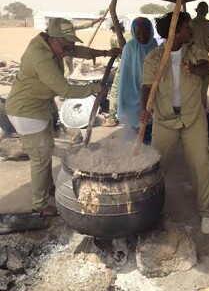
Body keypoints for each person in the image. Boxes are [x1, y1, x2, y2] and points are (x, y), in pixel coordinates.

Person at [5, 18, 120, 217]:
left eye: (69, 45)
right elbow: (64, 89)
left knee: (46, 149)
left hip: (39, 107)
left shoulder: (53, 44)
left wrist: (103, 53)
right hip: (26, 110)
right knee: (40, 157)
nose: (68, 51)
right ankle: (39, 206)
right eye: (66, 46)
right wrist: (96, 88)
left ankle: (48, 187)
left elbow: (78, 50)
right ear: (54, 39)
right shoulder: (40, 56)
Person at [140, 12, 209, 234]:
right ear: (175, 31)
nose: (190, 30)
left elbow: (204, 67)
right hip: (165, 119)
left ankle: (206, 212)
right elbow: (146, 87)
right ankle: (149, 210)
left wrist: (193, 69)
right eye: (187, 27)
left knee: (201, 164)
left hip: (193, 117)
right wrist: (145, 108)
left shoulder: (194, 50)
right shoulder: (154, 58)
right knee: (156, 167)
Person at [117, 17, 157, 143]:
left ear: (150, 31)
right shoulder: (129, 47)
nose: (142, 36)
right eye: (138, 33)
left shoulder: (155, 45)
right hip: (132, 91)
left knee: (150, 124)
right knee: (134, 128)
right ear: (133, 32)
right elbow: (125, 75)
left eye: (145, 32)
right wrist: (123, 98)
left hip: (150, 89)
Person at [191, 1, 209, 108]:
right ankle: (202, 116)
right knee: (203, 91)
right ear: (207, 12)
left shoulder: (190, 24)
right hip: (204, 61)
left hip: (191, 59)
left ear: (197, 10)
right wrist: (206, 47)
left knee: (191, 91)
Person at [103, 22, 132, 127]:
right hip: (136, 66)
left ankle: (111, 118)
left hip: (124, 66)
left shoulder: (113, 38)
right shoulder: (131, 35)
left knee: (115, 90)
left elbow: (116, 53)